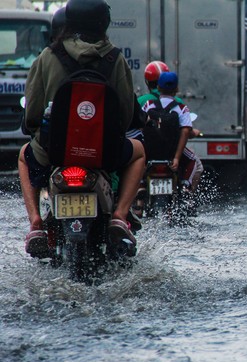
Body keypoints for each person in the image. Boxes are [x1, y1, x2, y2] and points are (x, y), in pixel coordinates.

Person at [19, 0, 145, 256]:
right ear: (104, 24)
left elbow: (32, 113)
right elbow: (126, 114)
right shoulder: (115, 58)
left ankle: (36, 224)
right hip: (104, 154)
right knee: (139, 151)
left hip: (55, 152)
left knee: (23, 156)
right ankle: (120, 216)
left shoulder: (47, 57)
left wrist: (35, 127)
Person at [141, 71, 202, 192]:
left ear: (158, 87)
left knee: (134, 161)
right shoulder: (181, 108)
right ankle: (186, 188)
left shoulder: (148, 105)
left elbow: (140, 126)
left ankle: (140, 185)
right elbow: (185, 132)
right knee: (194, 162)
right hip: (171, 152)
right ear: (177, 89)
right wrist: (177, 158)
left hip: (150, 152)